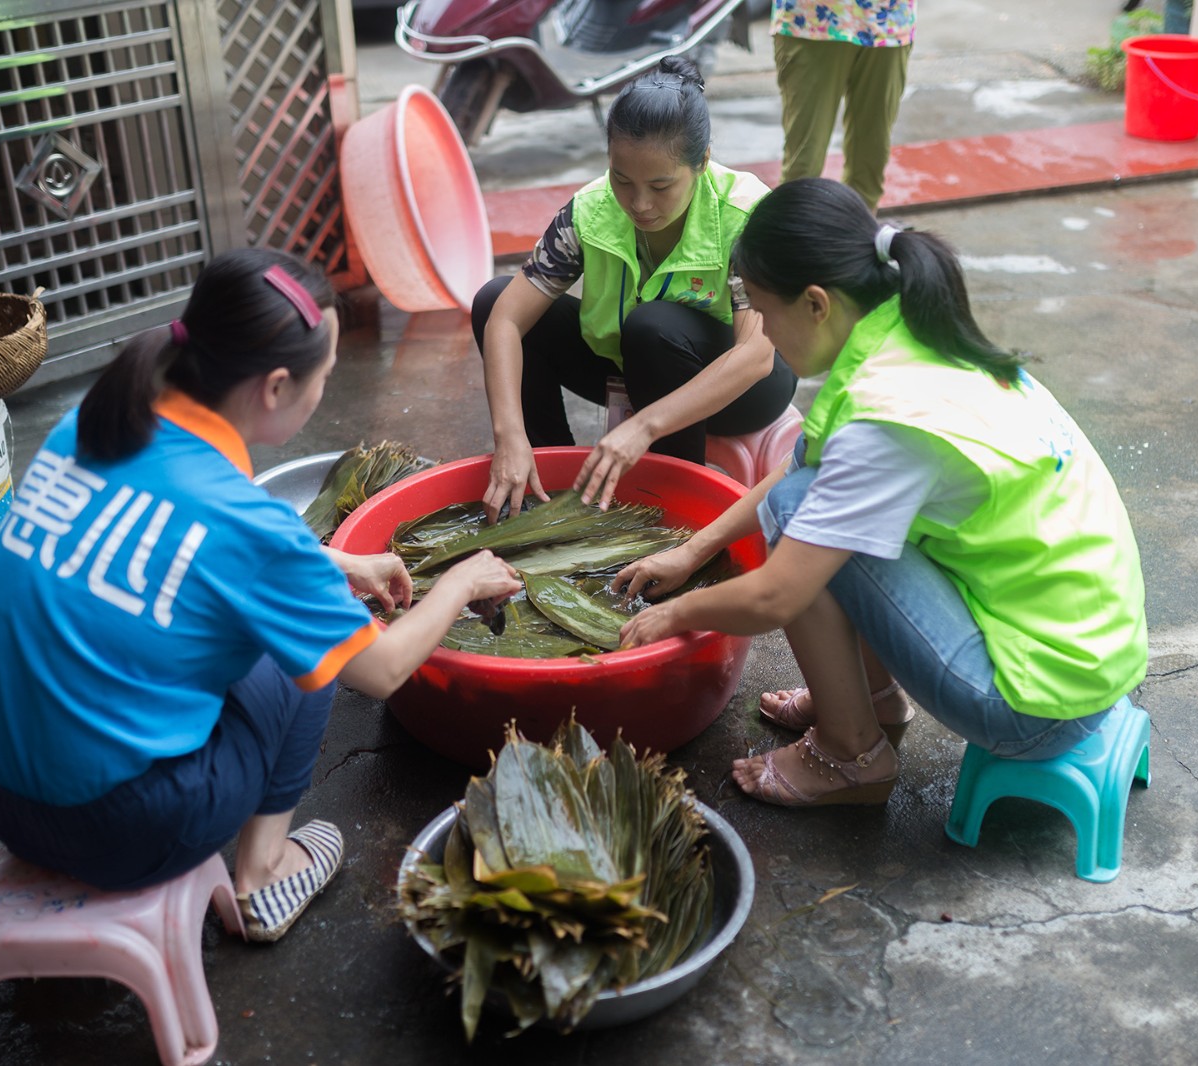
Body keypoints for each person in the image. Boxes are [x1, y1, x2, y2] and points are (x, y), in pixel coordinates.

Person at [0, 248, 520, 939]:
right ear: (277, 387)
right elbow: (382, 670)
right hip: (116, 832)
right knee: (318, 650)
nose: (323, 393)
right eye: (325, 379)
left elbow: (168, 544)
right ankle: (262, 872)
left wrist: (334, 561)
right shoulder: (245, 522)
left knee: (297, 615)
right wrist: (463, 579)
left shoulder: (94, 422)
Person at [612, 178, 1148, 808]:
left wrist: (670, 615)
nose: (762, 337)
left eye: (761, 309)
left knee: (799, 516)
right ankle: (870, 700)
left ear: (815, 303)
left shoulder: (883, 415)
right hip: (1085, 654)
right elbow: (808, 469)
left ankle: (849, 756)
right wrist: (690, 552)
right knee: (808, 499)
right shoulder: (912, 334)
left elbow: (777, 595)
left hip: (1035, 707)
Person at [472, 55, 797, 520]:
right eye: (622, 180)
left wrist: (642, 428)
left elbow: (756, 355)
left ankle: (672, 509)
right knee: (492, 300)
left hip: (745, 387)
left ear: (702, 163)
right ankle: (545, 482)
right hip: (632, 366)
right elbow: (504, 320)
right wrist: (509, 436)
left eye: (661, 185)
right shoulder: (589, 210)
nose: (639, 203)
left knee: (654, 324)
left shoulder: (744, 215)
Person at [771, 0, 915, 212]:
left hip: (888, 21)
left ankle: (860, 238)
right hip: (811, 22)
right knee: (803, 165)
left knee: (871, 158)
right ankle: (795, 240)